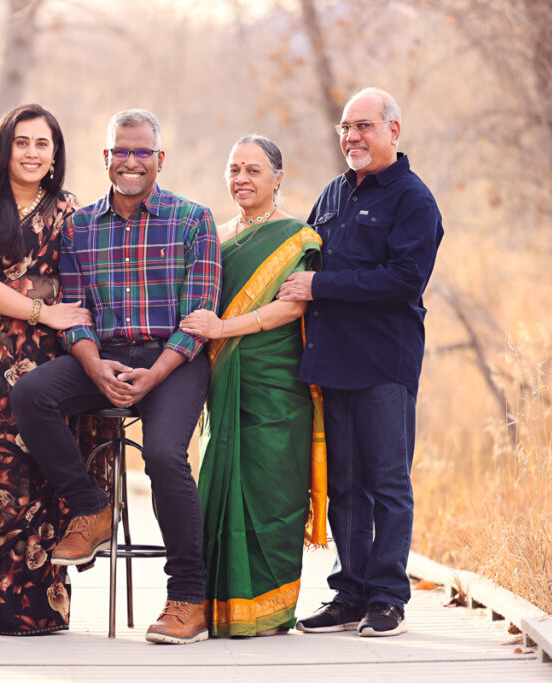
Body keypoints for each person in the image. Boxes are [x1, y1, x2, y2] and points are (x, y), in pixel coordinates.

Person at [11, 108, 222, 645]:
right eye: (120, 152)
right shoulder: (80, 226)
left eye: (142, 152)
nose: (131, 162)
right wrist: (92, 364)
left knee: (165, 455)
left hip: (173, 361)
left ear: (159, 159)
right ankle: (92, 507)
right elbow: (74, 313)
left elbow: (198, 319)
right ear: (106, 157)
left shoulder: (193, 219)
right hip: (103, 357)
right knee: (33, 393)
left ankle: (188, 599)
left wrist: (154, 375)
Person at [278, 87, 443, 637]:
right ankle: (349, 593)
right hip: (333, 361)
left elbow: (403, 280)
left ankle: (388, 597)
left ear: (393, 131)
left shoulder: (413, 201)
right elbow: (300, 253)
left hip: (384, 363)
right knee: (345, 483)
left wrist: (322, 285)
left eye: (364, 126)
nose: (353, 137)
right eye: (346, 128)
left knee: (388, 481)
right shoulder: (332, 194)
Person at [0, 103, 95, 636]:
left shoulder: (70, 209)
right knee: (2, 477)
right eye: (23, 142)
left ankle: (47, 610)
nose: (32, 153)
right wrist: (41, 305)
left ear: (55, 154)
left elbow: (84, 282)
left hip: (56, 359)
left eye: (43, 144)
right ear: (5, 148)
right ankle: (0, 608)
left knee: (49, 476)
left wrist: (58, 312)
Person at [179, 135, 327, 638]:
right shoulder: (214, 239)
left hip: (275, 384)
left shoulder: (297, 238)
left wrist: (222, 329)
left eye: (254, 170)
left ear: (278, 178)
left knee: (273, 491)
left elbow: (291, 307)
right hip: (223, 385)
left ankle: (269, 610)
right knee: (220, 491)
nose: (242, 178)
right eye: (234, 168)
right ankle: (217, 607)